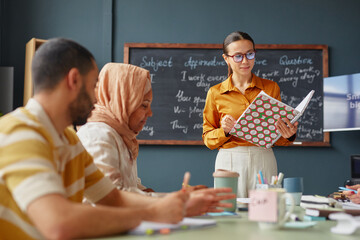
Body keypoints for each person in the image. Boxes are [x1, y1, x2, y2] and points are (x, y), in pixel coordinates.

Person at [0, 38, 192, 240]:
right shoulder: (20, 133)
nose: (97, 98)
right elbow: (59, 225)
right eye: (94, 86)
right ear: (73, 80)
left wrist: (175, 203)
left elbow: (113, 197)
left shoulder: (70, 140)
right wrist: (153, 214)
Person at [77, 63, 235, 216]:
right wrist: (180, 202)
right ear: (122, 101)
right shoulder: (98, 135)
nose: (150, 113)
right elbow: (113, 197)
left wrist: (180, 197)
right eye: (144, 105)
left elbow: (133, 189)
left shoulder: (120, 135)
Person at [202, 31, 298, 198]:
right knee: (229, 213)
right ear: (226, 59)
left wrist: (289, 136)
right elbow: (208, 140)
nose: (245, 61)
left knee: (266, 212)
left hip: (263, 157)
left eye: (250, 54)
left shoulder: (270, 88)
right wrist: (224, 130)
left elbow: (277, 137)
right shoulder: (215, 92)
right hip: (229, 160)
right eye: (238, 56)